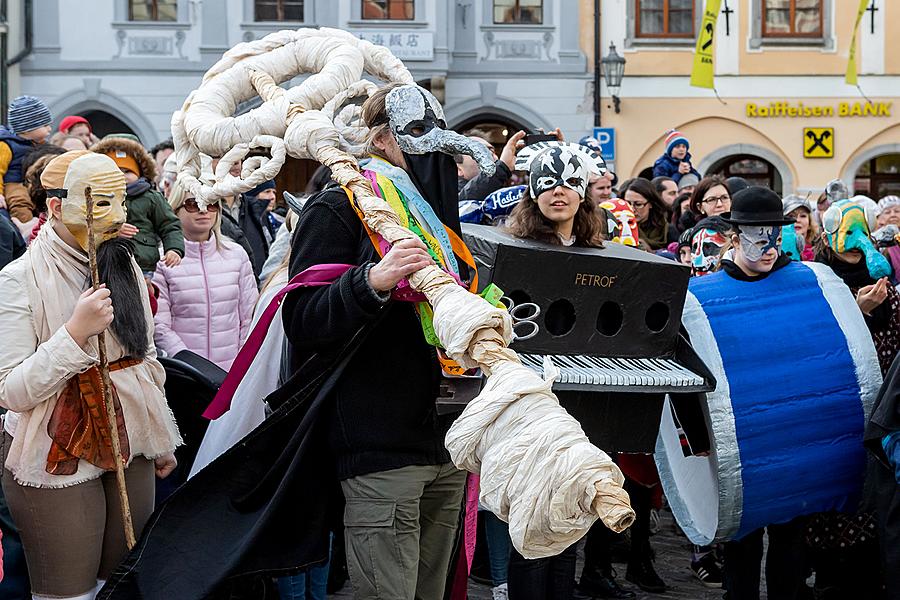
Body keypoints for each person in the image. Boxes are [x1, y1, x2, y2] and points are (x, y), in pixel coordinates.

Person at [281, 82, 493, 600]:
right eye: (416, 133)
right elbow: (303, 319)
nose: (432, 147)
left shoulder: (435, 212)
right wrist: (372, 281)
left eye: (436, 134)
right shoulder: (339, 205)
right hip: (379, 447)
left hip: (447, 443)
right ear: (379, 138)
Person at [0, 152, 180, 600]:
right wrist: (75, 334)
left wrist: (157, 437)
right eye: (100, 202)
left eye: (119, 201)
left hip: (129, 437)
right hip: (51, 446)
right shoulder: (17, 279)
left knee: (120, 585)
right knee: (69, 592)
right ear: (57, 207)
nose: (117, 216)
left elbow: (146, 359)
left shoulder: (127, 266)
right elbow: (11, 390)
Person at [505, 141, 606, 599]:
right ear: (531, 191)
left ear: (583, 192)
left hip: (582, 396)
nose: (558, 191)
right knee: (530, 517)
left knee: (572, 511)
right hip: (530, 401)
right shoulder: (512, 250)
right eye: (547, 182)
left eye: (569, 182)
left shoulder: (600, 254)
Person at [712, 187, 811, 600]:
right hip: (742, 441)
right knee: (742, 546)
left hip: (791, 436)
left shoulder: (802, 284)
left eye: (776, 235)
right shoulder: (709, 295)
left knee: (790, 545)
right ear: (735, 237)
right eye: (758, 236)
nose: (770, 247)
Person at [809, 198, 899, 599]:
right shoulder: (816, 285)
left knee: (876, 510)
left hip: (882, 419)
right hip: (833, 418)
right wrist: (855, 312)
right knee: (835, 507)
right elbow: (814, 348)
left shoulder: (888, 289)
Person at [152, 180, 258, 371]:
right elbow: (159, 325)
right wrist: (189, 362)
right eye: (193, 204)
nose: (203, 210)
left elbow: (250, 315)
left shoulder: (237, 254)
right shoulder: (161, 261)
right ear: (175, 210)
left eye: (210, 203)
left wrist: (242, 363)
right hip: (185, 373)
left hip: (234, 373)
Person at [91, 134, 184, 274]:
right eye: (115, 171)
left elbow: (169, 225)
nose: (121, 176)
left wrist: (173, 249)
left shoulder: (151, 197)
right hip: (106, 264)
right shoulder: (96, 198)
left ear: (139, 172)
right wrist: (111, 231)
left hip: (143, 264)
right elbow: (86, 225)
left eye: (128, 171)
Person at [1, 96, 52, 239]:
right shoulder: (6, 145)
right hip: (13, 182)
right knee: (20, 200)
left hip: (30, 182)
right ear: (28, 128)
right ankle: (25, 224)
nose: (49, 129)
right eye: (45, 125)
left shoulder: (38, 144)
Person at [457, 132, 523, 203]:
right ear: (459, 170)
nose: (490, 154)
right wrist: (502, 167)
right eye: (478, 151)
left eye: (491, 150)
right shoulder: (448, 195)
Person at [239, 179, 278, 277]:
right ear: (253, 194)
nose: (273, 197)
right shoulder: (246, 219)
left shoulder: (270, 219)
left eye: (274, 192)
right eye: (267, 192)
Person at [624, 177, 672, 251]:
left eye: (638, 204)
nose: (632, 209)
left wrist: (651, 252)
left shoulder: (668, 230)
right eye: (627, 203)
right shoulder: (619, 228)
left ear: (651, 204)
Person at [782, 194, 817, 261]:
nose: (797, 220)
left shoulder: (819, 251)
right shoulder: (775, 251)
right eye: (791, 216)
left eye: (803, 216)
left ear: (809, 223)